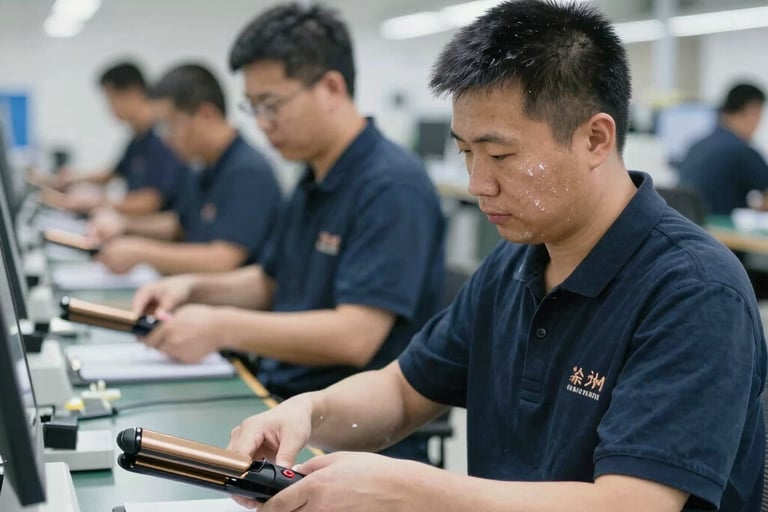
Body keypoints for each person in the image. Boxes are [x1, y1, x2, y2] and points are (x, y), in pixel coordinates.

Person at [225, 1, 767, 511]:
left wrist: (410, 490)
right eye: (466, 152)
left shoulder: (695, 292)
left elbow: (630, 504)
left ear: (596, 140)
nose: (477, 183)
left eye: (500, 155)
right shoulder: (514, 264)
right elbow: (402, 391)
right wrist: (308, 411)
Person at [131, 4, 445, 463]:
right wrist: (192, 288)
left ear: (331, 88)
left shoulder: (391, 186)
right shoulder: (312, 177)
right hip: (281, 406)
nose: (262, 123)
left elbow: (354, 335)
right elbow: (270, 281)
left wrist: (221, 326)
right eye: (253, 106)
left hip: (350, 443)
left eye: (272, 105)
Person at [89, 63, 282, 275]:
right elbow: (180, 224)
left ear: (206, 114)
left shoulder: (247, 171)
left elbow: (222, 259)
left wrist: (141, 252)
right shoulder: (202, 166)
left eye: (171, 126)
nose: (166, 139)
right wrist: (124, 226)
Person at [39, 61, 188, 216]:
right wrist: (72, 178)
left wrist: (95, 204)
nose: (109, 108)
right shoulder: (139, 138)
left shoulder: (163, 137)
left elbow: (151, 201)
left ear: (133, 93)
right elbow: (114, 173)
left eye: (111, 99)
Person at [679, 83, 768, 216]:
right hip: (723, 227)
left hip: (690, 223)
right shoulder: (742, 151)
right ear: (752, 111)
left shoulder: (696, 145)